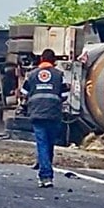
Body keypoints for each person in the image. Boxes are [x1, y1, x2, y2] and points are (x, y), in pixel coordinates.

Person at [19, 49, 69, 188]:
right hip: (53, 114)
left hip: (37, 113)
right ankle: (46, 168)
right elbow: (65, 95)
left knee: (42, 143)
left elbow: (24, 93)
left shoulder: (32, 74)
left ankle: (45, 175)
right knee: (49, 143)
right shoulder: (59, 75)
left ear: (41, 59)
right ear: (54, 61)